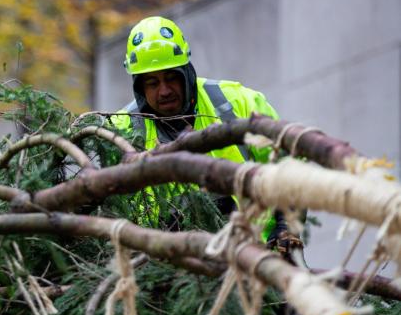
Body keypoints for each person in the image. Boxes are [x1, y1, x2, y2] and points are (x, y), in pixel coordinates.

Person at [111, 16, 301, 252]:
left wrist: (285, 226)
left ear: (187, 73)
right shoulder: (121, 131)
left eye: (172, 77)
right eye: (152, 82)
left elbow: (291, 167)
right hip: (170, 271)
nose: (164, 90)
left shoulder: (237, 102)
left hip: (258, 259)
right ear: (139, 87)